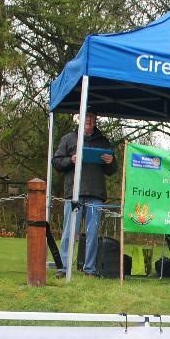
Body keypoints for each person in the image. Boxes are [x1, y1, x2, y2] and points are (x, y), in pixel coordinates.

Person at [51, 107, 117, 279]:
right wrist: (70, 160)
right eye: (86, 116)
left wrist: (110, 162)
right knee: (69, 233)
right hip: (74, 192)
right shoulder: (68, 139)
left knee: (92, 234)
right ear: (79, 117)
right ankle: (64, 268)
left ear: (95, 119)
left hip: (96, 193)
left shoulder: (103, 141)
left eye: (91, 116)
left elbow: (112, 170)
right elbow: (56, 162)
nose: (88, 119)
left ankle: (89, 269)